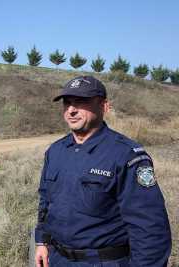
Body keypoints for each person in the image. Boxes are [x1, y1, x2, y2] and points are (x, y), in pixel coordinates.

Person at [34, 76, 171, 267]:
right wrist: (42, 241)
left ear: (104, 106)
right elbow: (46, 202)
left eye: (80, 102)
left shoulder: (126, 156)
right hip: (57, 259)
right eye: (67, 103)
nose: (71, 110)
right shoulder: (56, 151)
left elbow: (150, 228)